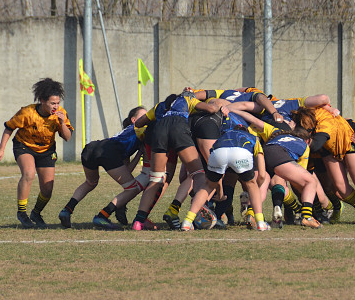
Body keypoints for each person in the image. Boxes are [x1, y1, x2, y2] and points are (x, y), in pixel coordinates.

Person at [130, 91, 225, 231]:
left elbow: (138, 122)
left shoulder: (159, 106)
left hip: (159, 130)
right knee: (198, 173)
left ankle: (138, 221)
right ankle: (200, 213)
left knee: (156, 179)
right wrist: (218, 106)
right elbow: (211, 109)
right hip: (178, 128)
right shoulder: (188, 99)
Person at [0, 78, 73, 228]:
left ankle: (36, 213)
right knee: (29, 174)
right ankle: (22, 213)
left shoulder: (60, 114)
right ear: (42, 100)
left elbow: (67, 137)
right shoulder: (27, 112)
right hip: (24, 146)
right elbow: (9, 128)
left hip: (47, 150)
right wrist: (1, 149)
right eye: (52, 103)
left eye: (57, 103)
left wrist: (62, 123)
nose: (56, 106)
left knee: (47, 189)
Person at [291, 106, 355, 225]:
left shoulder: (324, 123)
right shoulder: (306, 114)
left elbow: (315, 145)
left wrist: (297, 141)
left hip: (348, 140)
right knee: (339, 187)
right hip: (329, 147)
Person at [57, 106, 148, 230]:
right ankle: (103, 216)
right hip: (108, 151)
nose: (147, 118)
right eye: (143, 116)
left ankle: (66, 210)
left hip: (92, 148)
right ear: (133, 120)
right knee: (132, 189)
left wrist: (139, 153)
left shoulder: (127, 134)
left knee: (90, 182)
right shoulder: (140, 128)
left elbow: (126, 170)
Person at [180, 122, 269, 231]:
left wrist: (220, 192)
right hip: (241, 152)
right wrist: (254, 188)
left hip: (218, 151)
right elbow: (262, 175)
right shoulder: (253, 138)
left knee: (207, 186)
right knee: (252, 184)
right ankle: (260, 223)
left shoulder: (222, 137)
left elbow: (218, 176)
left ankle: (187, 221)